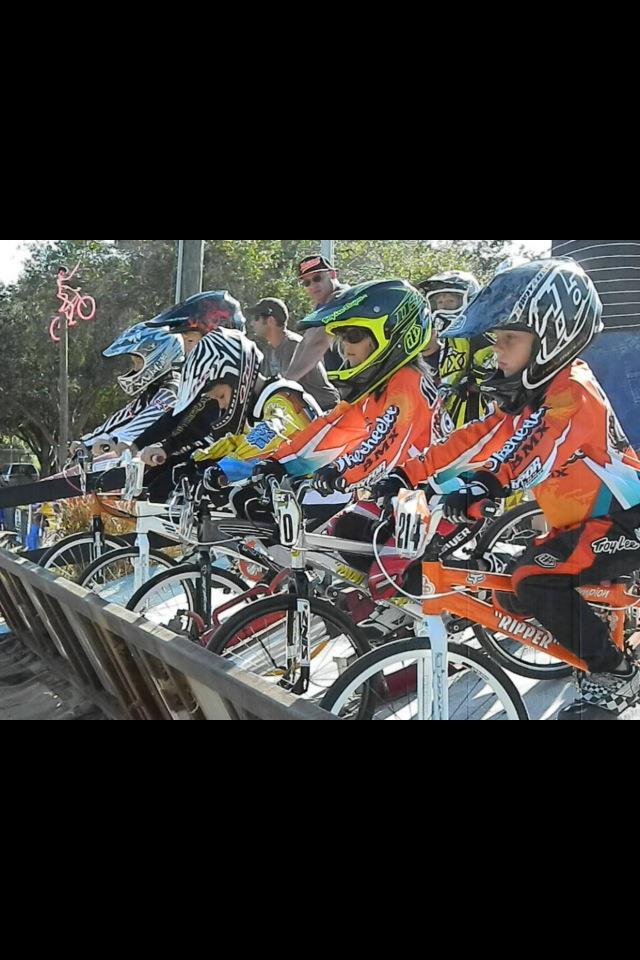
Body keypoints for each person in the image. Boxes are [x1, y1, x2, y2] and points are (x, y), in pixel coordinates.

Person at [392, 258, 640, 720]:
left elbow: (534, 449)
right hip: (586, 523)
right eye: (496, 338)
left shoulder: (572, 391)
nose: (497, 350)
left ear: (553, 337)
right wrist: (408, 473)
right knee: (508, 590)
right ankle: (595, 637)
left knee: (534, 579)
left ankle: (617, 673)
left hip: (626, 520)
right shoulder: (533, 394)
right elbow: (478, 437)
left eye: (510, 338)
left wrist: (485, 485)